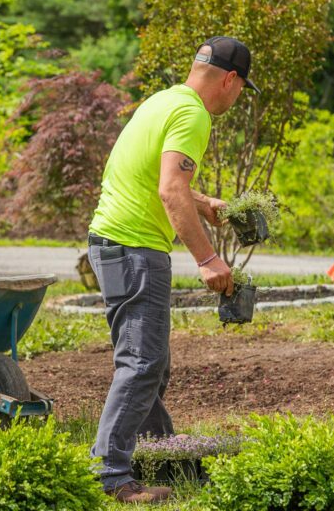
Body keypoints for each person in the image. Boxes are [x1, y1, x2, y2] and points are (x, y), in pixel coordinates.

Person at [86, 36, 260, 504]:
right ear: (229, 79)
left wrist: (202, 204)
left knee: (148, 364)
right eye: (241, 88)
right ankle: (110, 477)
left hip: (110, 242)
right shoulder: (194, 114)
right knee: (142, 364)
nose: (237, 96)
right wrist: (208, 259)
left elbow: (148, 174)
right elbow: (168, 190)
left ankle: (161, 456)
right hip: (135, 248)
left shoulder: (164, 100)